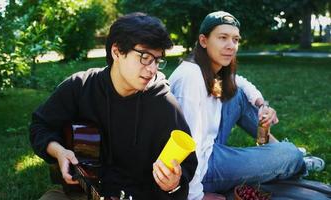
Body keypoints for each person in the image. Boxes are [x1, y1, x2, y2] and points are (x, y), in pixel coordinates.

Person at [30, 12, 197, 200]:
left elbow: (187, 164)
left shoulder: (164, 105)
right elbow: (40, 126)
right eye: (145, 57)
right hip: (79, 192)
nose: (152, 69)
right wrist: (59, 152)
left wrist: (173, 183)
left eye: (157, 60)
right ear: (117, 51)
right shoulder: (80, 86)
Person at [168, 11, 325, 200]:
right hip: (202, 167)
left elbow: (240, 82)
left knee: (238, 95)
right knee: (289, 154)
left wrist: (261, 105)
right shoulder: (191, 78)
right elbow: (189, 146)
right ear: (203, 40)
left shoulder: (208, 67)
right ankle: (295, 162)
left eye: (235, 39)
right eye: (223, 38)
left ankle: (274, 151)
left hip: (209, 147)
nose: (231, 46)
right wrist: (195, 196)